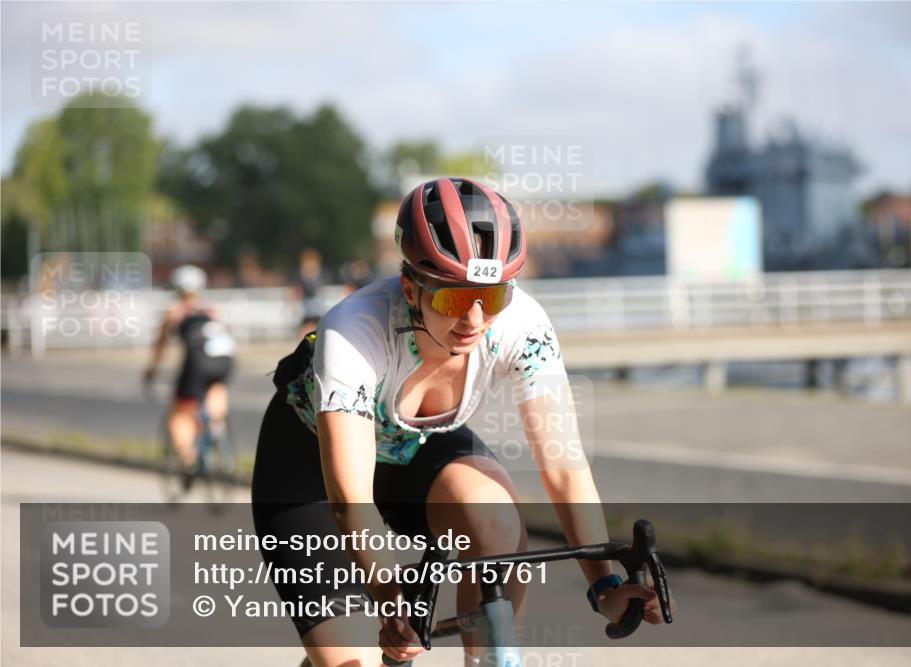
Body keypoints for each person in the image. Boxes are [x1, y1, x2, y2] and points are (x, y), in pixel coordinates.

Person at [252, 178, 667, 667]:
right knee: (352, 662)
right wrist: (393, 606)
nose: (473, 318)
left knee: (494, 520)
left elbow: (564, 467)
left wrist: (606, 584)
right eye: (453, 299)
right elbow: (351, 502)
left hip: (418, 448)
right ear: (410, 287)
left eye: (490, 297)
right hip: (311, 468)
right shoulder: (353, 329)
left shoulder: (522, 323)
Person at [144, 265, 236, 487]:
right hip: (225, 358)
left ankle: (189, 459)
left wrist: (152, 370)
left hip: (196, 361)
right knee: (216, 387)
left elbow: (161, 345)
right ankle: (216, 427)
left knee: (180, 413)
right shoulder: (212, 309)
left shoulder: (175, 310)